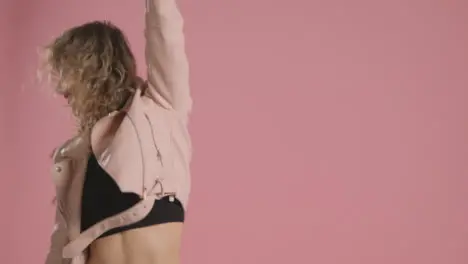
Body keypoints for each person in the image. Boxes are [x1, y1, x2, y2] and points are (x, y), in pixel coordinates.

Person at [43, 0, 192, 264]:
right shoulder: (73, 157)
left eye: (69, 75)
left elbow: (165, 31)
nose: (63, 91)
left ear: (94, 70)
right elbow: (60, 247)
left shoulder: (160, 108)